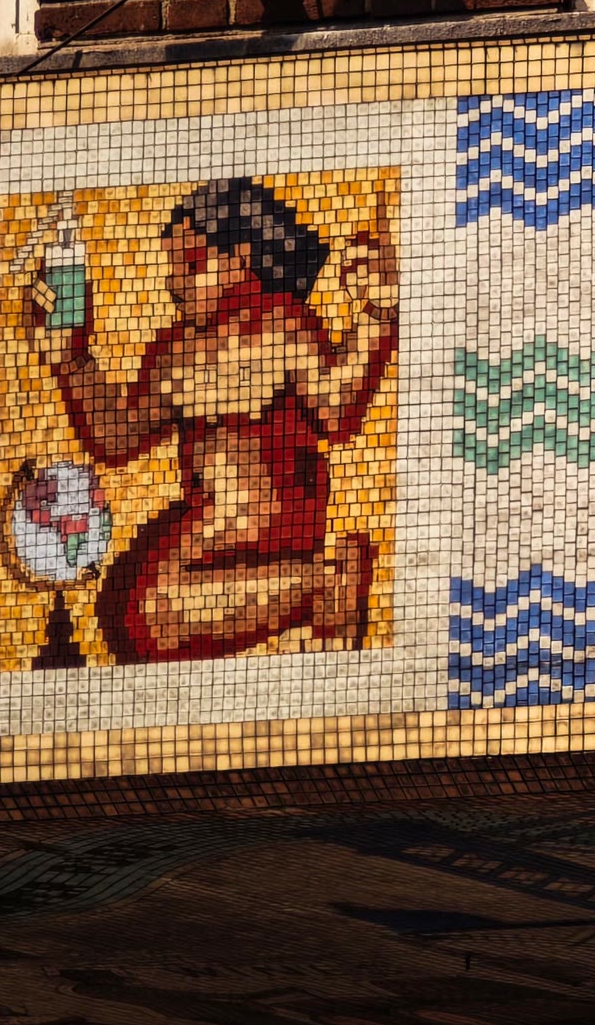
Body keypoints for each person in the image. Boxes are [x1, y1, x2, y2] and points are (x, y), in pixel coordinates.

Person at [28, 178, 397, 663]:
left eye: (191, 264)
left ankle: (325, 581)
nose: (174, 283)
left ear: (241, 259)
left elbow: (338, 408)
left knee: (147, 613)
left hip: (272, 537)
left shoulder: (283, 327)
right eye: (173, 268)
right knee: (127, 609)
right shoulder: (175, 353)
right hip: (202, 543)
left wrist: (376, 311)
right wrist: (70, 357)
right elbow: (114, 437)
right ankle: (316, 586)